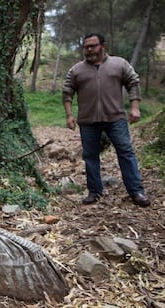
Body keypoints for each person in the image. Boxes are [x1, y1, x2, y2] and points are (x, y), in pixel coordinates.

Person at [62, 33, 151, 207]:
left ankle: (136, 191)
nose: (89, 50)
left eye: (93, 46)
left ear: (103, 46)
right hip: (88, 121)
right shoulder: (77, 70)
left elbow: (133, 82)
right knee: (90, 156)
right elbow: (67, 92)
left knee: (126, 152)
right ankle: (94, 192)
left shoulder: (119, 64)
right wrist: (69, 115)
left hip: (115, 118)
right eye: (86, 47)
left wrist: (134, 107)